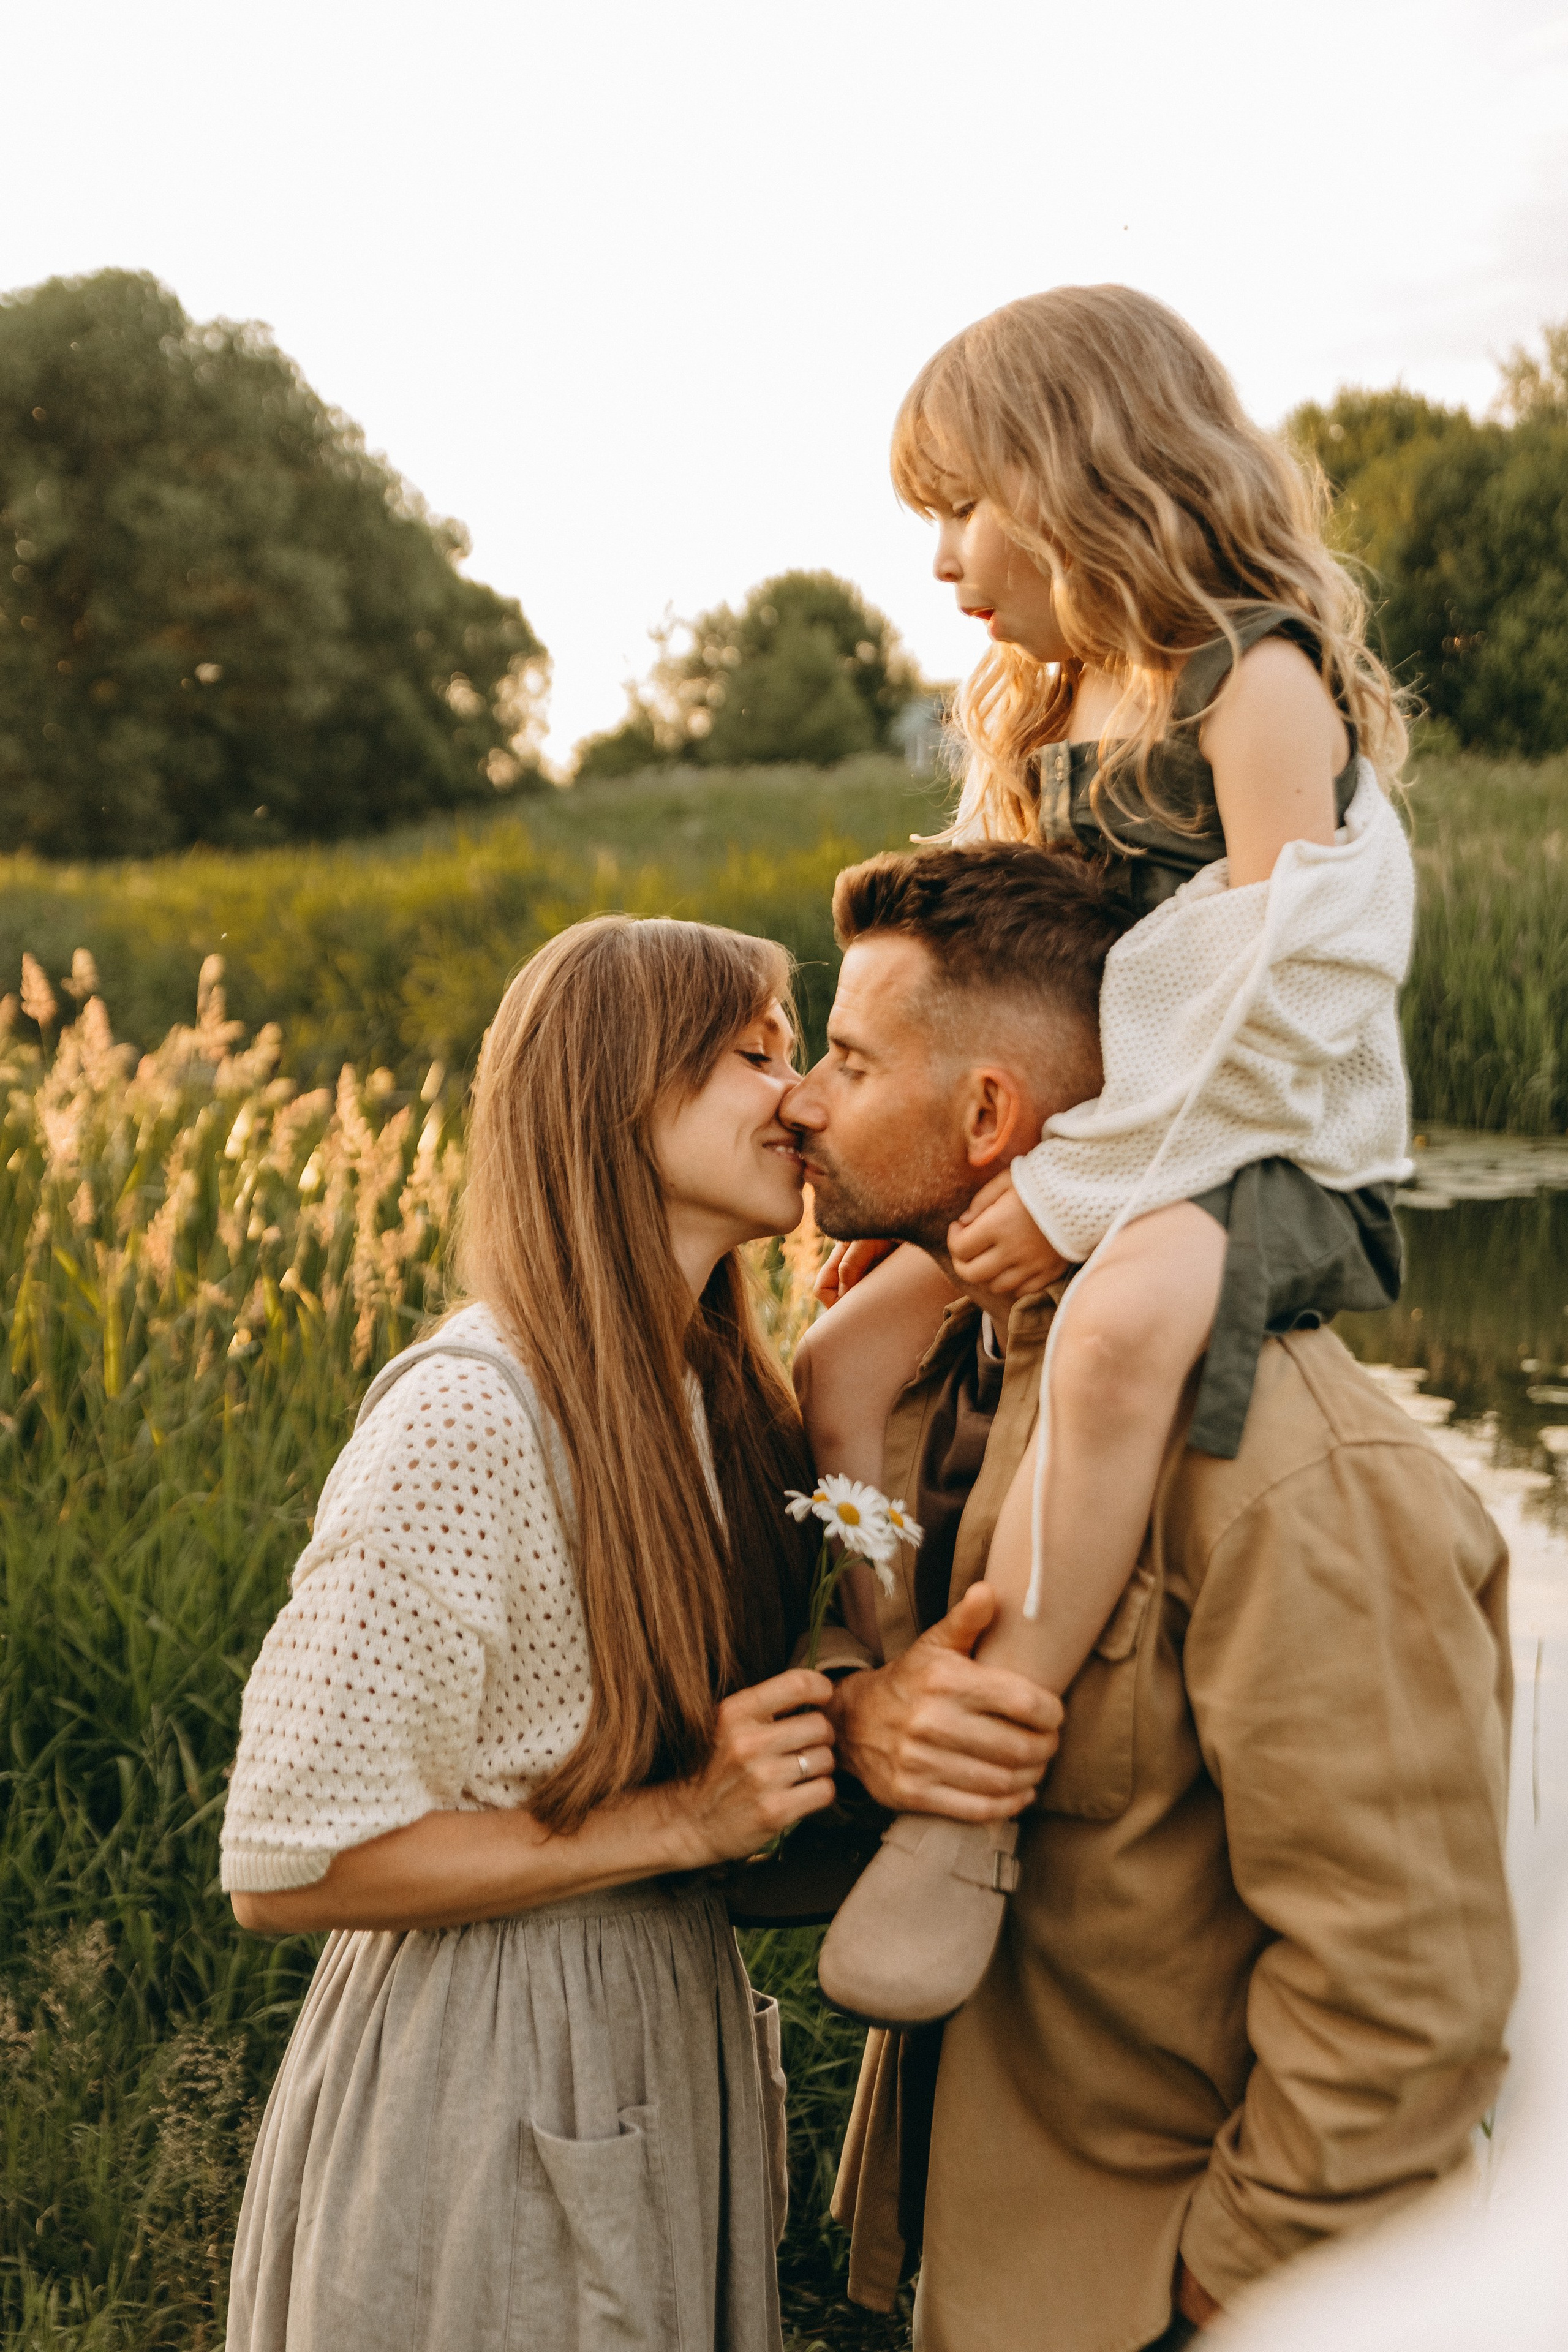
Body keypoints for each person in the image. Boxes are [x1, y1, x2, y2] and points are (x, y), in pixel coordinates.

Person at [782, 841, 1515, 2351]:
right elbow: (838, 1697)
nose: (802, 1098)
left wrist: (1206, 2292)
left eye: (846, 1061)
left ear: (988, 1115)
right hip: (937, 2266)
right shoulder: (924, 1390)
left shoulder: (1287, 1464)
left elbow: (1403, 1993)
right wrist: (869, 1726)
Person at [795, 285, 1415, 2024]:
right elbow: (996, 988)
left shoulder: (1254, 683)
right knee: (840, 1364)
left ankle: (980, 1790)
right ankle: (901, 1636)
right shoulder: (1039, 701)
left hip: (1243, 1158)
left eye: (963, 507)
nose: (941, 563)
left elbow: (1270, 986)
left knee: (1129, 1326)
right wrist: (932, 1184)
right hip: (1067, 1163)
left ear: (1080, 477)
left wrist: (1072, 1198)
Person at [221, 915, 838, 2352]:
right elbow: (291, 1859)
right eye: (755, 1055)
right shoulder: (469, 1416)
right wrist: (684, 1822)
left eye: (799, 1057)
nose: (797, 1098)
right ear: (620, 1095)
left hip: (651, 2033)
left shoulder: (726, 1407)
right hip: (483, 2070)